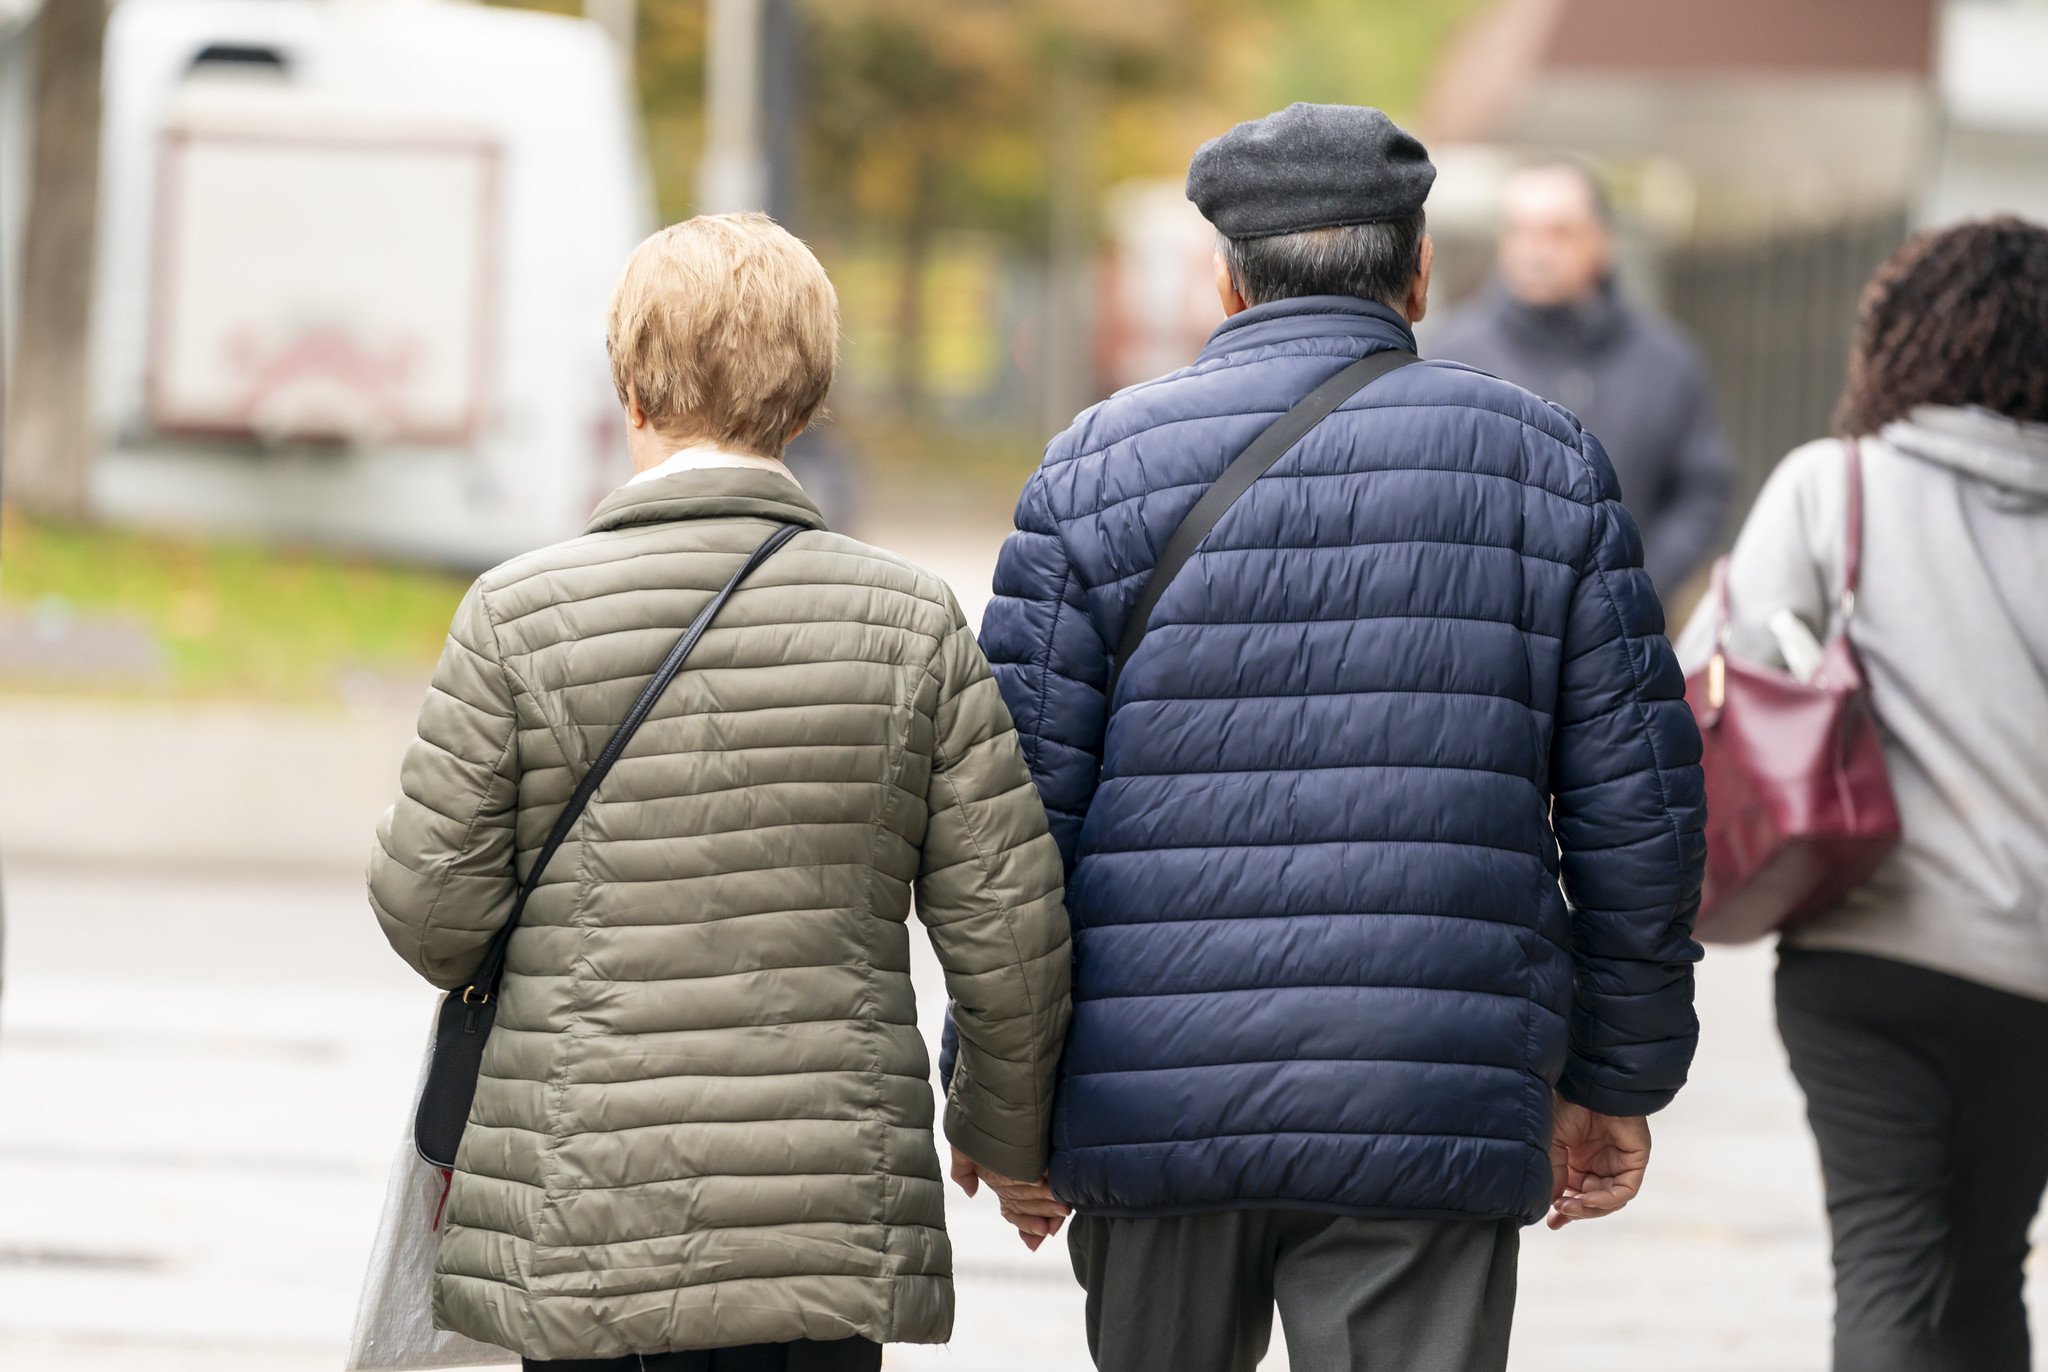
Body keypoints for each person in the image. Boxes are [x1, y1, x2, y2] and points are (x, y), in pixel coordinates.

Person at [976, 103, 1706, 1372]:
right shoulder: (1546, 466)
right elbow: (1637, 815)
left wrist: (999, 1101)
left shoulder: (1090, 471)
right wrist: (1613, 1072)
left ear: (1225, 278)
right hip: (1429, 1091)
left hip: (1154, 1096)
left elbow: (1008, 830)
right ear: (1419, 273)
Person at [367, 213, 1072, 1370]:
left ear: (629, 389)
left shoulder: (516, 614)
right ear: (807, 401)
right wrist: (1006, 1141)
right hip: (823, 1226)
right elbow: (1010, 927)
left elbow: (434, 919)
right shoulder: (911, 623)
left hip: (579, 1210)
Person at [1675, 217, 2048, 1372]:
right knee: (1986, 1264)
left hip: (1864, 946)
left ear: (1903, 340)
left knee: (1882, 1257)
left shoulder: (1832, 485)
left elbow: (1711, 670)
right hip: (2033, 967)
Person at [1431, 160, 1734, 599]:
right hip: (1478, 632)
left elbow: (1704, 489)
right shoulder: (1447, 358)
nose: (1537, 250)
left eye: (1559, 232)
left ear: (1603, 242)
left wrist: (1639, 581)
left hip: (1623, 641)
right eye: (1522, 230)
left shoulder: (1668, 363)